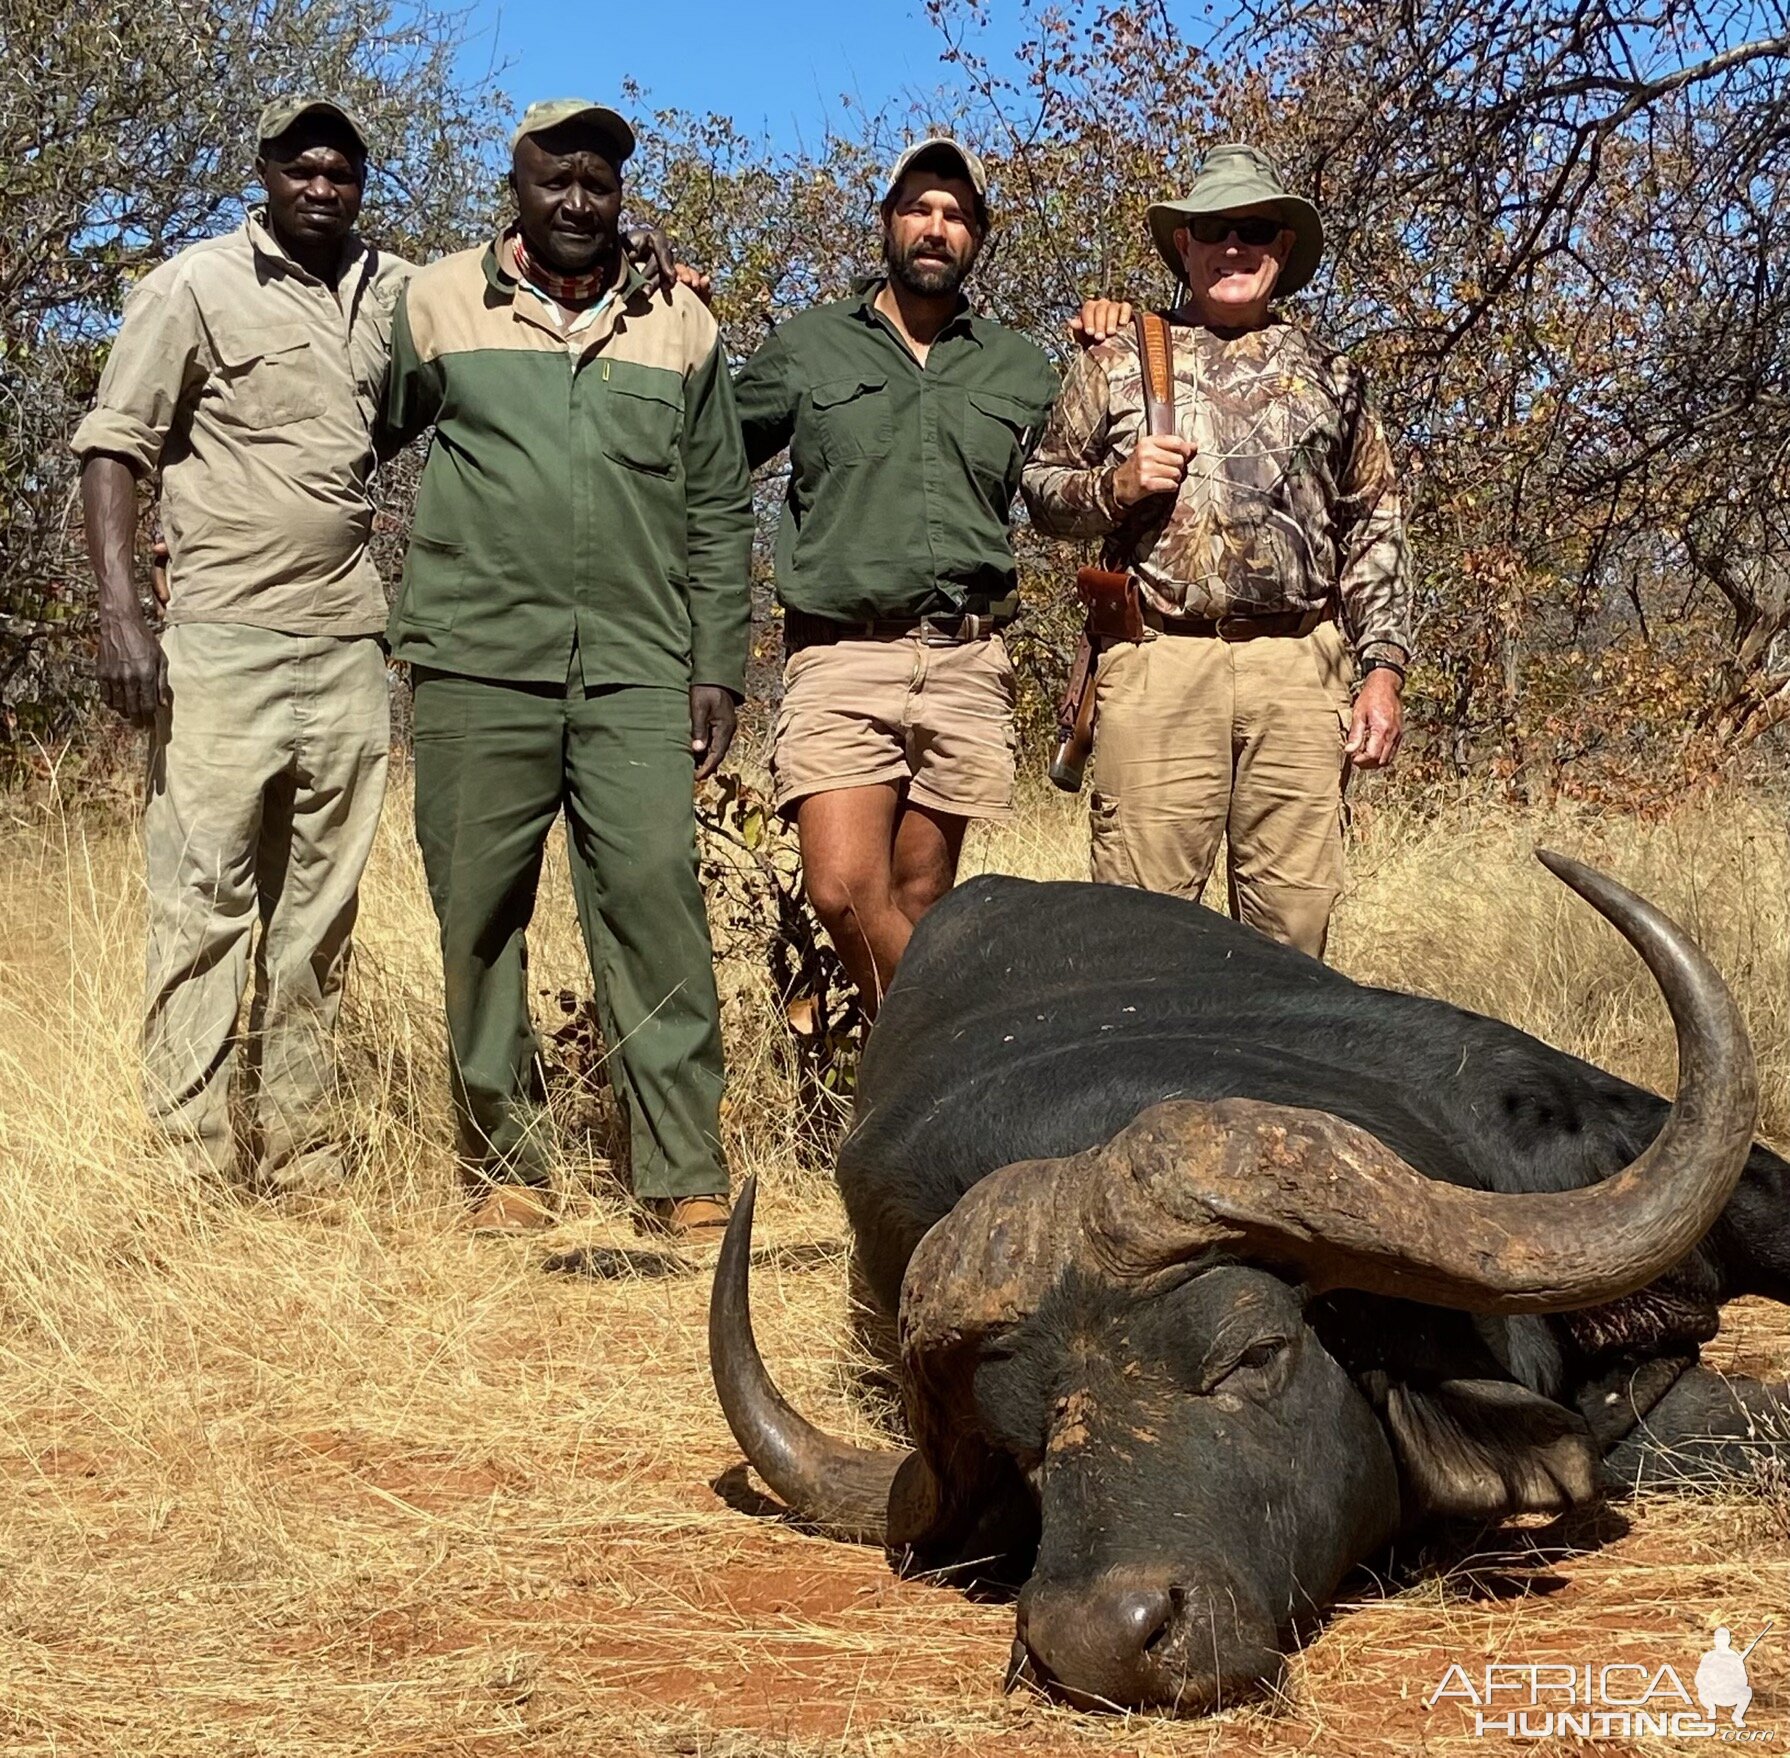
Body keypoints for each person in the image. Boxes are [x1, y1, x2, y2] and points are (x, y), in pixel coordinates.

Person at [379, 100, 753, 1237]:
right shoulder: (437, 302)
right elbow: (365, 431)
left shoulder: (679, 322)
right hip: (475, 659)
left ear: (621, 192)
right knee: (478, 913)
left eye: (598, 182)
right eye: (556, 181)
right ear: (517, 187)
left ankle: (681, 1168)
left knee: (653, 905)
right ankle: (508, 1168)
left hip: (638, 669)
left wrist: (717, 664)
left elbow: (718, 504)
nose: (578, 202)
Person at [73, 96, 408, 1197]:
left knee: (317, 917)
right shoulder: (192, 284)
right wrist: (123, 613)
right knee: (203, 904)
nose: (321, 187)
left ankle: (303, 1152)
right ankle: (188, 1166)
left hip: (349, 637)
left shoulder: (393, 293)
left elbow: (496, 315)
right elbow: (116, 446)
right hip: (219, 639)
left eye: (341, 172)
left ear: (362, 183)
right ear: (262, 171)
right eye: (300, 168)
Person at [1022, 143, 1410, 959]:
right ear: (1185, 247)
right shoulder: (1121, 359)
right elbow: (1040, 491)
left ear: (1284, 249)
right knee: (1140, 936)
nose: (1234, 245)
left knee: (1292, 940)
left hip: (1302, 671)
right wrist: (1115, 488)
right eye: (1213, 229)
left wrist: (1381, 671)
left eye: (1255, 228)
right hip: (1160, 663)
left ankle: (1269, 1091)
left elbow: (1375, 521)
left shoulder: (1334, 375)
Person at [732, 138, 1058, 1015]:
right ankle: (967, 1047)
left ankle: (890, 1115)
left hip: (965, 662)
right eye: (919, 207)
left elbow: (1076, 485)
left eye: (955, 215)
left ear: (978, 238)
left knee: (921, 903)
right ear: (888, 222)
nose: (935, 227)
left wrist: (1117, 334)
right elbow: (709, 449)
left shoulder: (1019, 367)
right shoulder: (808, 347)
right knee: (842, 890)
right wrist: (675, 317)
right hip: (841, 655)